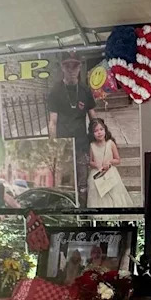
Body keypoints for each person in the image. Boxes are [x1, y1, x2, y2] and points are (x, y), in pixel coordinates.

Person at [48, 54, 97, 204]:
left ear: (79, 67)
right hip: (64, 147)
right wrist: (53, 146)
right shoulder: (55, 91)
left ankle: (83, 214)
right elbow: (52, 122)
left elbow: (93, 118)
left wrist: (99, 140)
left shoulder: (84, 90)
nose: (71, 69)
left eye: (74, 65)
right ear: (62, 67)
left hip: (81, 144)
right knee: (65, 183)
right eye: (67, 66)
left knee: (83, 183)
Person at [86, 118, 133, 208]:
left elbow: (118, 160)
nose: (99, 132)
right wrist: (96, 164)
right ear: (92, 133)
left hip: (110, 172)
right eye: (96, 131)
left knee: (112, 190)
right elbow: (90, 161)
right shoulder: (92, 145)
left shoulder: (110, 143)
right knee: (97, 190)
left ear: (105, 130)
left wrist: (110, 162)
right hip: (97, 172)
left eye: (101, 129)